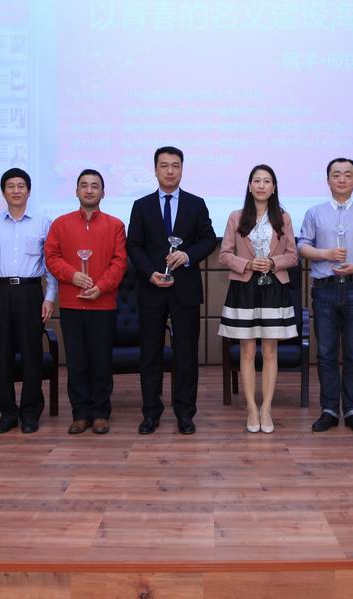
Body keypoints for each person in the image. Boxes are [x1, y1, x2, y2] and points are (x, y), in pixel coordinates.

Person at [127, 146, 216, 435]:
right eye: (164, 165)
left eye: (175, 165)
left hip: (185, 288)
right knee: (150, 354)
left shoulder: (196, 204)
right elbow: (134, 246)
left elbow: (208, 240)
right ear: (155, 170)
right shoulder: (141, 205)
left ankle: (185, 413)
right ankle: (150, 413)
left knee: (186, 353)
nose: (169, 171)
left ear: (182, 169)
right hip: (151, 288)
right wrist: (148, 272)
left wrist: (188, 255)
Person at [298, 158, 353, 433]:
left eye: (347, 175)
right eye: (336, 175)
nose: (342, 179)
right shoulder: (315, 213)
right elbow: (302, 246)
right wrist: (326, 254)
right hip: (325, 289)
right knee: (326, 353)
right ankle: (329, 410)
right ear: (328, 180)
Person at [45, 169, 127, 435]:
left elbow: (119, 262)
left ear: (103, 193)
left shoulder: (115, 225)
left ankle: (101, 413)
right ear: (76, 191)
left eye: (95, 186)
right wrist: (73, 276)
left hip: (103, 304)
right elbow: (52, 257)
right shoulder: (60, 224)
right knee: (76, 362)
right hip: (72, 304)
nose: (89, 190)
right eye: (84, 185)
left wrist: (100, 287)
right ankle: (80, 414)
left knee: (102, 361)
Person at [218, 165, 299, 434]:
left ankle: (266, 408)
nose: (261, 185)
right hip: (244, 288)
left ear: (273, 188)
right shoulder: (236, 217)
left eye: (267, 181)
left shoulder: (283, 218)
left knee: (270, 351)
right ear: (249, 185)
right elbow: (224, 254)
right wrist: (248, 264)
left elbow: (293, 256)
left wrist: (273, 262)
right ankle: (252, 408)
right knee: (247, 351)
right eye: (257, 180)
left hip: (273, 287)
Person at [0, 167, 57, 434]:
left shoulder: (42, 223)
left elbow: (51, 266)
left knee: (32, 354)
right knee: (3, 355)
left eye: (21, 186)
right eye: (10, 186)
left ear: (29, 191)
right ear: (3, 192)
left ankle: (30, 412)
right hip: (0, 293)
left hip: (30, 292)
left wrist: (49, 297)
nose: (16, 190)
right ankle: (7, 413)